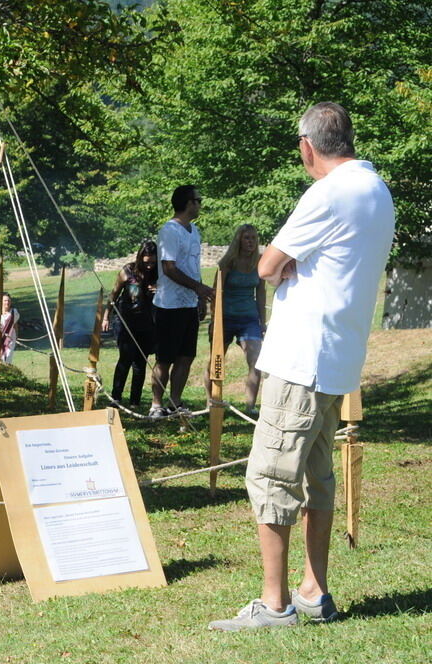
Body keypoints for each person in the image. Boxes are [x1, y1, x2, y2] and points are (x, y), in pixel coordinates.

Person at [209, 102, 395, 631]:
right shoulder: (377, 190)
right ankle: (314, 591)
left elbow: (267, 265)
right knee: (317, 478)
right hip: (339, 357)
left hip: (300, 358)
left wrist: (287, 262)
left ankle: (274, 605)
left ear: (307, 146)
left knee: (270, 476)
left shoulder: (327, 192)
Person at [149, 185, 214, 418]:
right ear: (188, 203)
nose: (200, 204)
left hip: (189, 305)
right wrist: (199, 288)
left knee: (186, 356)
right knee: (165, 359)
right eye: (198, 200)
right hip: (169, 305)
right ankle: (156, 404)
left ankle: (174, 403)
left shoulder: (194, 231)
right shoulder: (169, 230)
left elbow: (194, 267)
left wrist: (199, 297)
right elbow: (169, 268)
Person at [204, 224, 267, 414]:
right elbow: (217, 292)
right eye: (247, 238)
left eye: (254, 238)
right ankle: (212, 401)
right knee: (216, 360)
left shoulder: (260, 262)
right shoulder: (228, 262)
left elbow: (261, 292)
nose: (251, 242)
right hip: (225, 317)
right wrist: (215, 321)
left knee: (256, 360)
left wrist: (262, 322)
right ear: (239, 240)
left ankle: (250, 406)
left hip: (249, 318)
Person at [102, 240, 158, 408]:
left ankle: (135, 401)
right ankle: (116, 397)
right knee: (125, 357)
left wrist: (161, 289)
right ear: (140, 258)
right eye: (147, 262)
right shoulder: (127, 271)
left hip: (148, 323)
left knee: (141, 361)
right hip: (125, 321)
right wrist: (106, 317)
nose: (150, 266)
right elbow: (113, 296)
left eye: (154, 262)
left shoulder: (160, 274)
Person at [0, 292, 19, 364]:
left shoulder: (14, 312)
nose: (7, 302)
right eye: (5, 300)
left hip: (9, 339)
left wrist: (16, 336)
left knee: (7, 357)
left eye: (8, 301)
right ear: (1, 302)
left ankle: (6, 371)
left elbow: (15, 325)